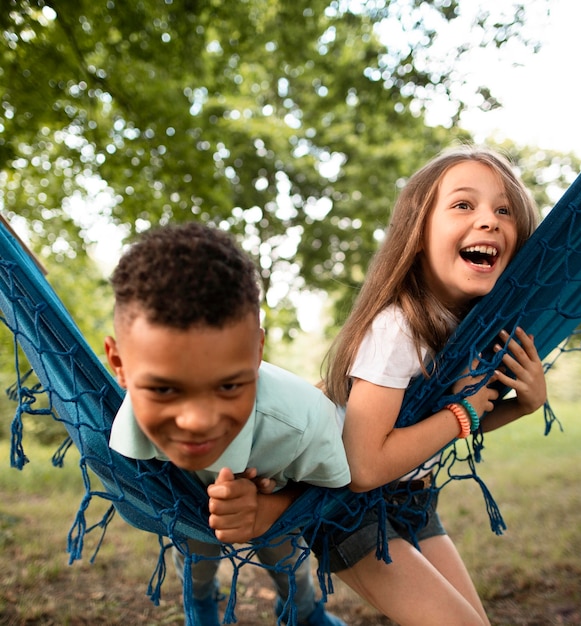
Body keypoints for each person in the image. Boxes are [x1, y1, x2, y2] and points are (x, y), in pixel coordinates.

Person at [318, 145, 548, 626]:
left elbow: (434, 426)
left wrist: (518, 408)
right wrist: (463, 414)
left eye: (504, 210)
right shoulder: (396, 328)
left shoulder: (469, 327)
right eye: (464, 204)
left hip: (413, 500)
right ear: (418, 234)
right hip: (350, 510)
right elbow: (364, 464)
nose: (488, 220)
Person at [103, 222, 350, 626]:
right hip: (186, 501)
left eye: (229, 385)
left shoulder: (303, 422)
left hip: (278, 502)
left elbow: (339, 490)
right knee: (195, 554)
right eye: (164, 390)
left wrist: (270, 507)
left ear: (257, 351)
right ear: (119, 365)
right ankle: (199, 608)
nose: (197, 423)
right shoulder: (115, 431)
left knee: (287, 557)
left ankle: (304, 613)